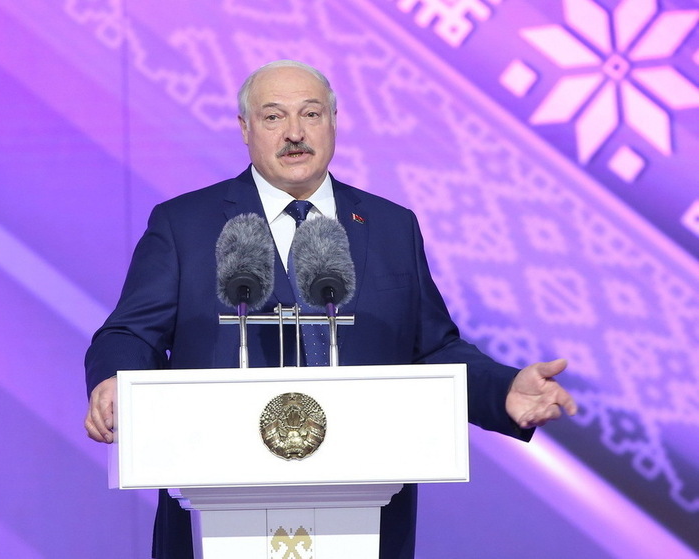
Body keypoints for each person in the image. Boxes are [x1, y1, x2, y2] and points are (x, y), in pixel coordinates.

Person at [85, 59, 577, 559]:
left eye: (311, 114)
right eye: (273, 117)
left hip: (366, 502)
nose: (294, 133)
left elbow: (432, 349)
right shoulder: (186, 224)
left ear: (334, 122)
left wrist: (503, 390)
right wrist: (114, 379)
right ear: (245, 128)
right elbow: (129, 334)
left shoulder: (390, 225)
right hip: (216, 497)